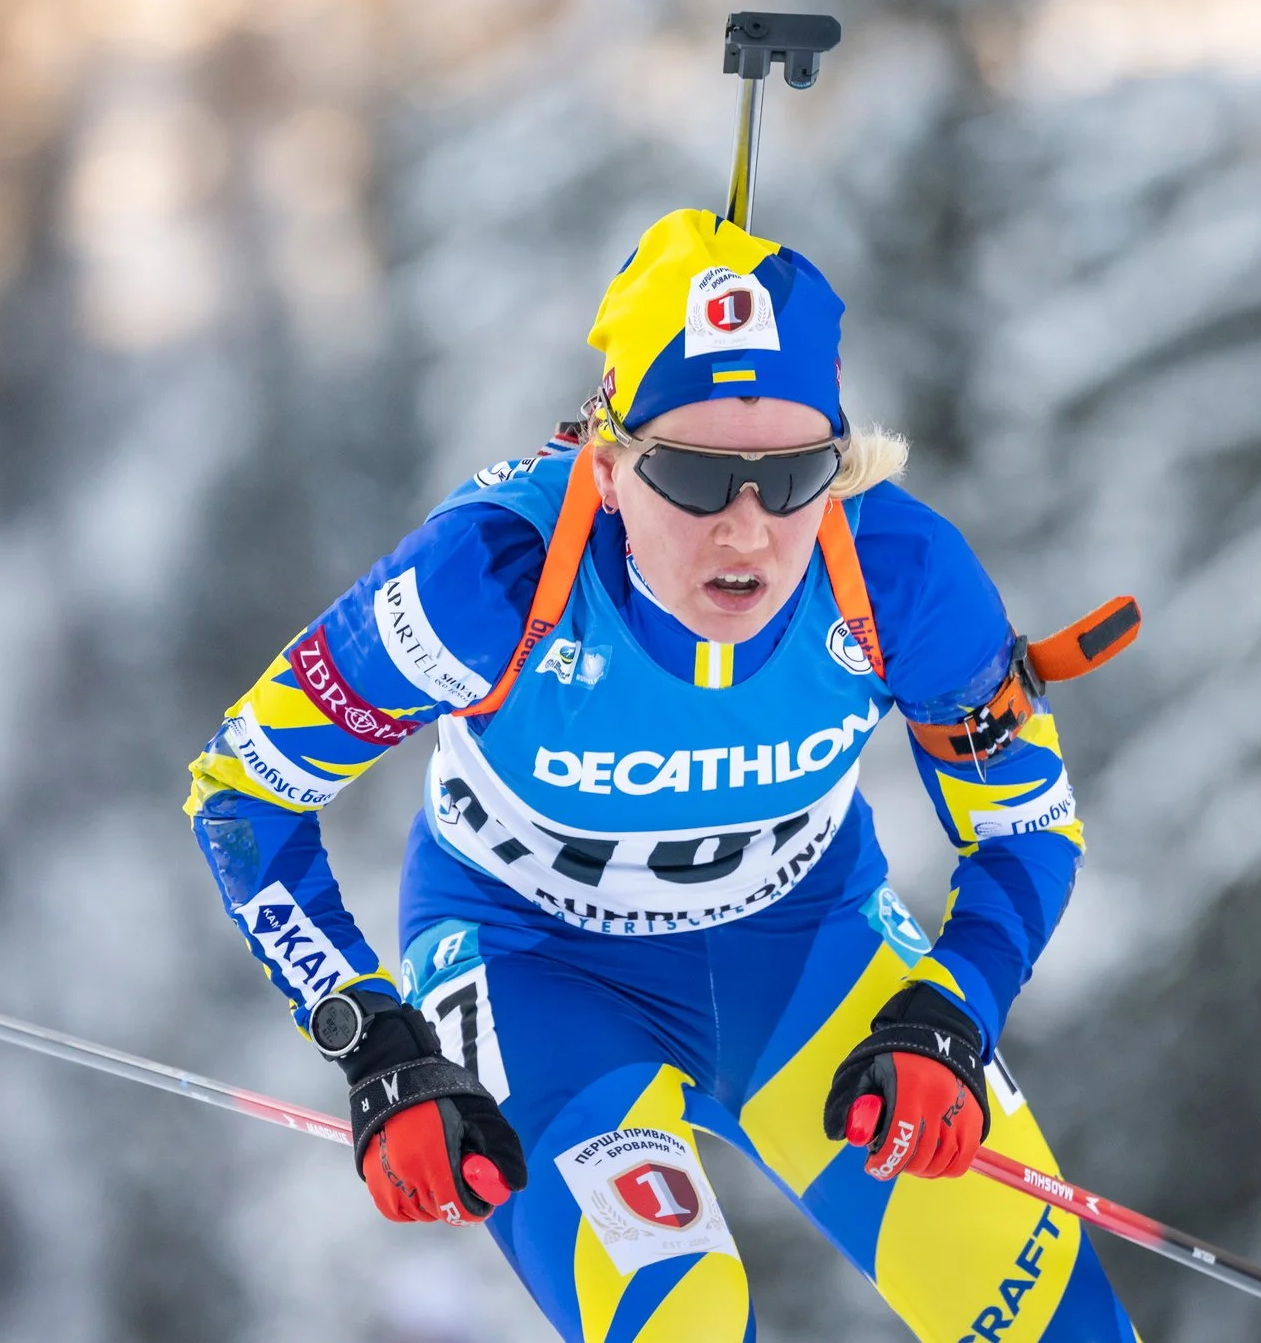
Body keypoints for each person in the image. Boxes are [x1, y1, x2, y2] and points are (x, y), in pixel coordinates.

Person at [186, 208, 1140, 1341]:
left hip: (807, 947)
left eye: (793, 479)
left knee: (1058, 1327)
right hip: (536, 963)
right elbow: (241, 790)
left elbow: (1027, 824)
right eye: (692, 477)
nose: (745, 529)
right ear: (607, 458)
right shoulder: (490, 578)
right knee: (683, 1322)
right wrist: (374, 1035)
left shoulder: (900, 573)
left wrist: (952, 1006)